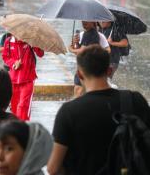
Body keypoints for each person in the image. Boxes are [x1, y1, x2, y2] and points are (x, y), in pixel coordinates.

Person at [47, 45, 150, 175]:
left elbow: (53, 168)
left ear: (79, 74)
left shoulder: (69, 112)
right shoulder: (134, 100)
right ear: (110, 70)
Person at [1, 35, 44, 121]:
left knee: (23, 106)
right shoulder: (8, 41)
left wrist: (34, 44)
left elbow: (41, 54)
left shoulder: (30, 40)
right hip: (13, 80)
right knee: (14, 107)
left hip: (28, 79)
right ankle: (16, 128)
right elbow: (5, 57)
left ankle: (22, 128)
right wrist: (14, 63)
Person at [69, 21, 111, 98]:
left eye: (87, 20)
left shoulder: (93, 34)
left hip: (87, 66)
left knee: (78, 89)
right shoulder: (84, 34)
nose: (84, 22)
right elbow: (81, 51)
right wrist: (77, 43)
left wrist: (71, 49)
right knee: (80, 89)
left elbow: (82, 51)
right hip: (86, 66)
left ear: (93, 21)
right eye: (83, 20)